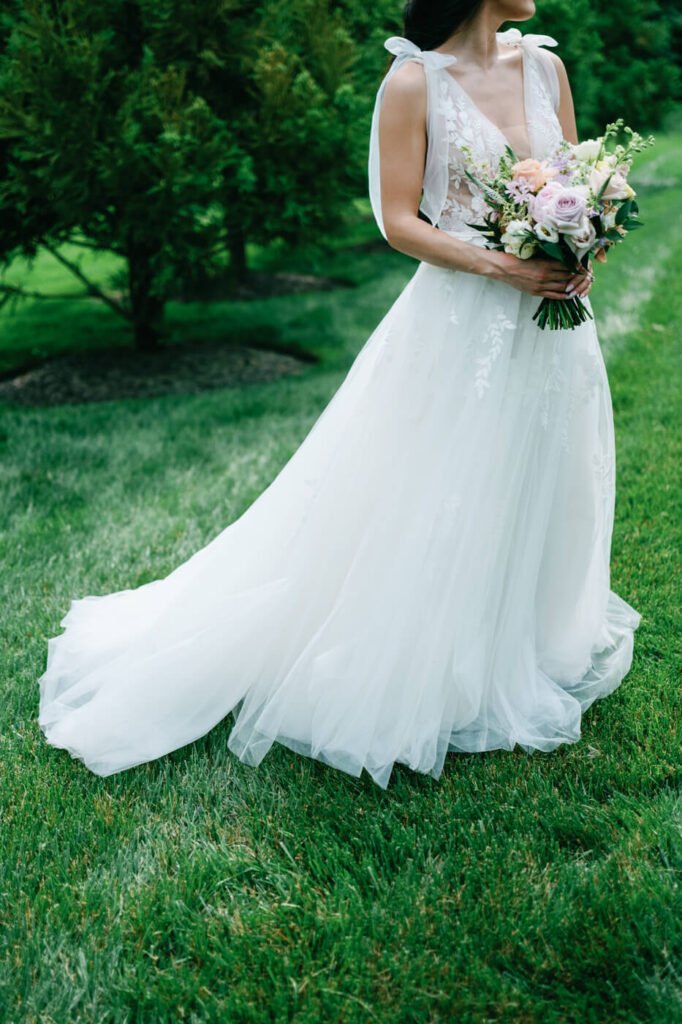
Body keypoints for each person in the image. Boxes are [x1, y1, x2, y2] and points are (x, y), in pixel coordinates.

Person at [37, 0, 642, 789]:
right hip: (463, 324)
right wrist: (503, 267)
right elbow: (396, 221)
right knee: (445, 485)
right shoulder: (413, 83)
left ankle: (524, 642)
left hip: (556, 316)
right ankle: (437, 659)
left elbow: (569, 181)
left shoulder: (546, 67)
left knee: (549, 467)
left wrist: (581, 244)